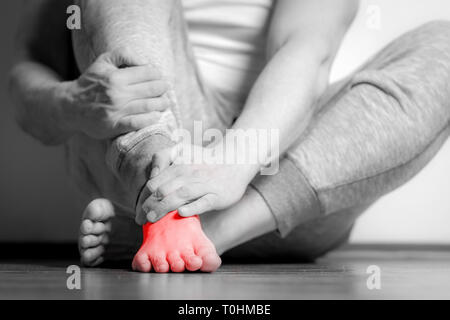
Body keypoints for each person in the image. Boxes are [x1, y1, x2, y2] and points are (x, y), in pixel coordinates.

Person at [10, 0, 450, 273]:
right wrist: (74, 103)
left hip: (279, 172)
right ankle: (168, 207)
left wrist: (235, 159)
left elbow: (307, 50)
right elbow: (27, 82)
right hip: (150, 152)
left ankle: (201, 227)